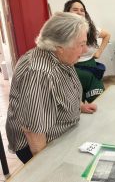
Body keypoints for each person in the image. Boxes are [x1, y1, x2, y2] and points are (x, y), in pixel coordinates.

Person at [5, 12, 97, 164]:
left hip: (62, 133)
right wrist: (47, 169)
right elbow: (34, 133)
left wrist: (79, 106)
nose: (85, 50)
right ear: (60, 47)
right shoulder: (39, 74)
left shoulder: (62, 57)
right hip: (40, 145)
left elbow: (63, 90)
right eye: (81, 45)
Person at [64, 0, 111, 103]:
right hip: (71, 71)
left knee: (99, 102)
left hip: (91, 68)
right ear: (67, 12)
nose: (79, 12)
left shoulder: (91, 29)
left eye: (82, 10)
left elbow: (107, 35)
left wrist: (99, 52)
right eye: (75, 9)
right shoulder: (62, 31)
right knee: (76, 108)